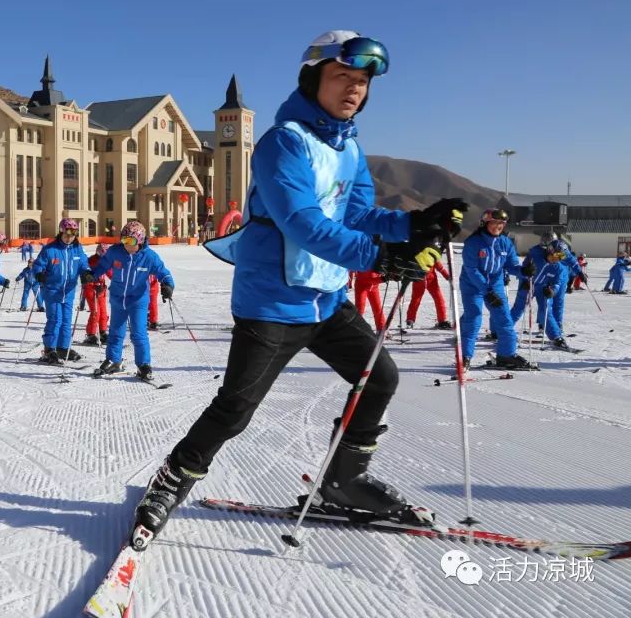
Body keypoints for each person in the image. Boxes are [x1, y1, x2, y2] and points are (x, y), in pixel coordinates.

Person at [124, 30, 467, 552]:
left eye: (362, 81)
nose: (354, 88)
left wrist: (415, 225)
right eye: (342, 77)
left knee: (379, 380)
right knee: (235, 408)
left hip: (325, 299)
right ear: (314, 80)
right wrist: (379, 256)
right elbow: (302, 222)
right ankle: (172, 478)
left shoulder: (347, 145)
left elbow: (356, 214)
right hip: (273, 302)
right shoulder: (283, 141)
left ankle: (342, 481)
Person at [91, 221, 174, 381]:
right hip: (118, 299)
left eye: (131, 241)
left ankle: (143, 365)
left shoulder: (149, 256)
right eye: (124, 240)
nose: (127, 245)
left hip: (138, 300)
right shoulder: (116, 251)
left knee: (138, 333)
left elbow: (163, 272)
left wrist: (168, 285)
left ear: (141, 240)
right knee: (115, 332)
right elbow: (102, 266)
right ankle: (113, 360)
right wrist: (91, 275)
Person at [459, 208, 535, 370]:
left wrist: (523, 271)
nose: (498, 226)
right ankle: (465, 357)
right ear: (485, 223)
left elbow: (511, 265)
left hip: (495, 284)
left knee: (504, 319)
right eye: (494, 223)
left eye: (501, 223)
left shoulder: (505, 242)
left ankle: (506, 355)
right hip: (472, 285)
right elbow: (471, 270)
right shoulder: (473, 242)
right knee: (474, 318)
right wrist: (487, 291)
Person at [31, 218, 92, 364]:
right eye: (66, 234)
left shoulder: (77, 249)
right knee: (55, 320)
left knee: (66, 321)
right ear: (61, 232)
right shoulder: (50, 249)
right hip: (52, 291)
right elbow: (38, 265)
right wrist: (39, 273)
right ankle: (49, 349)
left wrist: (86, 273)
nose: (69, 238)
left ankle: (63, 348)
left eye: (73, 234)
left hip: (69, 292)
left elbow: (84, 263)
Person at [529, 243, 575, 350]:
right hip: (531, 285)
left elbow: (557, 282)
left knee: (548, 309)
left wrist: (552, 291)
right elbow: (524, 268)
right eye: (554, 257)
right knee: (519, 309)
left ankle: (556, 335)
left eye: (559, 258)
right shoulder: (538, 258)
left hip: (546, 288)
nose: (556, 260)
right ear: (548, 253)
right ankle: (502, 331)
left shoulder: (559, 267)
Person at [405, 259, 452, 329]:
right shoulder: (416, 253)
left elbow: (440, 267)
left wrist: (447, 276)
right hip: (419, 280)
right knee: (415, 300)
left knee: (439, 299)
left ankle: (442, 320)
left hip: (432, 281)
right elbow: (409, 266)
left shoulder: (431, 254)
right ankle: (410, 320)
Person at [83, 244, 111, 346]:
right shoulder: (91, 261)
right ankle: (91, 334)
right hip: (91, 289)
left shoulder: (106, 261)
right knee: (96, 312)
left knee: (103, 312)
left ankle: (103, 332)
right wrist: (93, 284)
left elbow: (111, 273)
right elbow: (86, 275)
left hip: (101, 289)